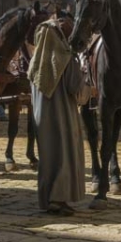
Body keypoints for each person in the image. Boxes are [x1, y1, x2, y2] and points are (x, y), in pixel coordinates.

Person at [28, 18, 91, 216]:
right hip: (64, 117)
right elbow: (77, 90)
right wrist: (89, 88)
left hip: (42, 118)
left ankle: (47, 199)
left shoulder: (35, 64)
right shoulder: (66, 60)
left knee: (48, 156)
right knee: (63, 154)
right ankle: (59, 198)